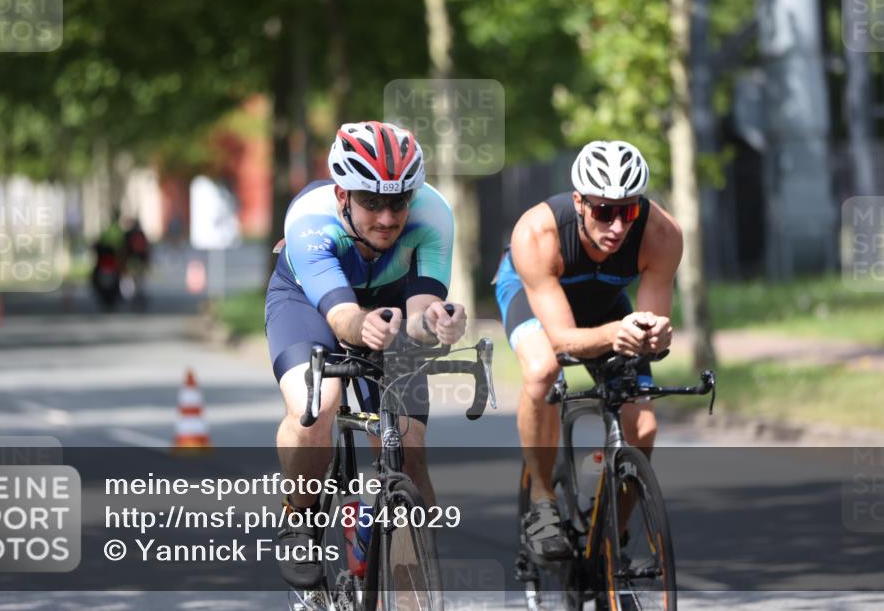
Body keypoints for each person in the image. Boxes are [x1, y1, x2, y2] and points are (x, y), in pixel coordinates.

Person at [265, 120, 468, 588]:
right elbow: (343, 320)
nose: (386, 218)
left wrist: (437, 321)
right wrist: (365, 325)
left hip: (390, 306)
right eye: (370, 202)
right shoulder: (310, 221)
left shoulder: (433, 215)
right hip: (311, 304)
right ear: (342, 196)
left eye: (397, 202)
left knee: (409, 446)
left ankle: (412, 588)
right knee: (317, 407)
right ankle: (299, 513)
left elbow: (418, 311)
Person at [494, 140, 683, 559]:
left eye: (628, 211)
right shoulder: (536, 233)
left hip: (605, 301)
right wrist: (618, 332)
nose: (617, 226)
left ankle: (610, 534)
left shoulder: (661, 234)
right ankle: (542, 504)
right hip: (534, 295)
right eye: (604, 211)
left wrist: (657, 337)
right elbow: (561, 340)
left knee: (644, 429)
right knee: (544, 371)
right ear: (579, 202)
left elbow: (648, 337)